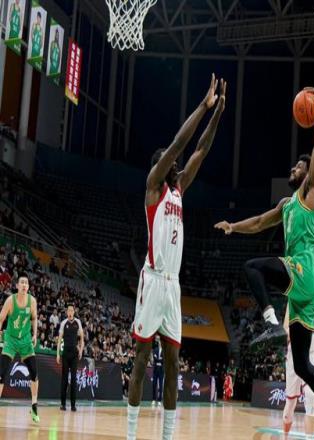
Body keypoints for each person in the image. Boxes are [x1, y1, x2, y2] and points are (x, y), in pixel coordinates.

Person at [215, 87, 314, 440]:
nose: (294, 168)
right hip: (303, 291)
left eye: (298, 165)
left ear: (307, 173)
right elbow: (259, 222)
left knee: (253, 267)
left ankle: (269, 321)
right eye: (295, 166)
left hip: (303, 270)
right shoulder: (286, 204)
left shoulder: (309, 192)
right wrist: (233, 226)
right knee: (303, 365)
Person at [127, 74, 226, 440]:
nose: (176, 163)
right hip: (153, 281)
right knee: (141, 361)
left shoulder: (179, 188)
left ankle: (167, 436)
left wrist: (218, 114)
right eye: (170, 161)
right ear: (161, 165)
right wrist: (203, 105)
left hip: (173, 287)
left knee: (172, 364)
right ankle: (131, 435)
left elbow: (200, 149)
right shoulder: (154, 186)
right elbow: (180, 143)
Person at [283, 296, 314, 438]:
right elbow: (285, 326)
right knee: (290, 404)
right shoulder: (293, 298)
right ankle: (285, 436)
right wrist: (295, 332)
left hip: (312, 355)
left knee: (310, 395)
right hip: (294, 355)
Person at [0, 273, 40, 423]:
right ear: (17, 286)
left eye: (26, 283)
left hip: (25, 341)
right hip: (10, 339)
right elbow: (1, 318)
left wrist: (35, 334)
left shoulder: (32, 301)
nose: (24, 285)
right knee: (1, 374)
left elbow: (34, 318)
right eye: (21, 282)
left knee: (34, 373)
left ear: (28, 287)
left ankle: (34, 406)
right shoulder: (10, 301)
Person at [57, 304, 84, 411]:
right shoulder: (63, 323)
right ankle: (63, 404)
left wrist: (80, 350)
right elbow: (59, 339)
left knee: (73, 379)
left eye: (72, 310)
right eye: (68, 310)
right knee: (64, 379)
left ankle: (73, 405)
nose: (70, 312)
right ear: (67, 312)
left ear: (74, 312)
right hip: (65, 354)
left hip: (74, 355)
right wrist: (58, 354)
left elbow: (82, 338)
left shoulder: (78, 322)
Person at [151, 337, 163, 407]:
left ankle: (159, 400)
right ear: (158, 343)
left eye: (161, 342)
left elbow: (163, 360)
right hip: (155, 370)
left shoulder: (164, 351)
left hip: (161, 370)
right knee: (154, 384)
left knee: (160, 385)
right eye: (159, 342)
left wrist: (159, 360)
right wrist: (159, 360)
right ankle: (153, 399)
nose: (160, 343)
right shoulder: (155, 349)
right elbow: (155, 359)